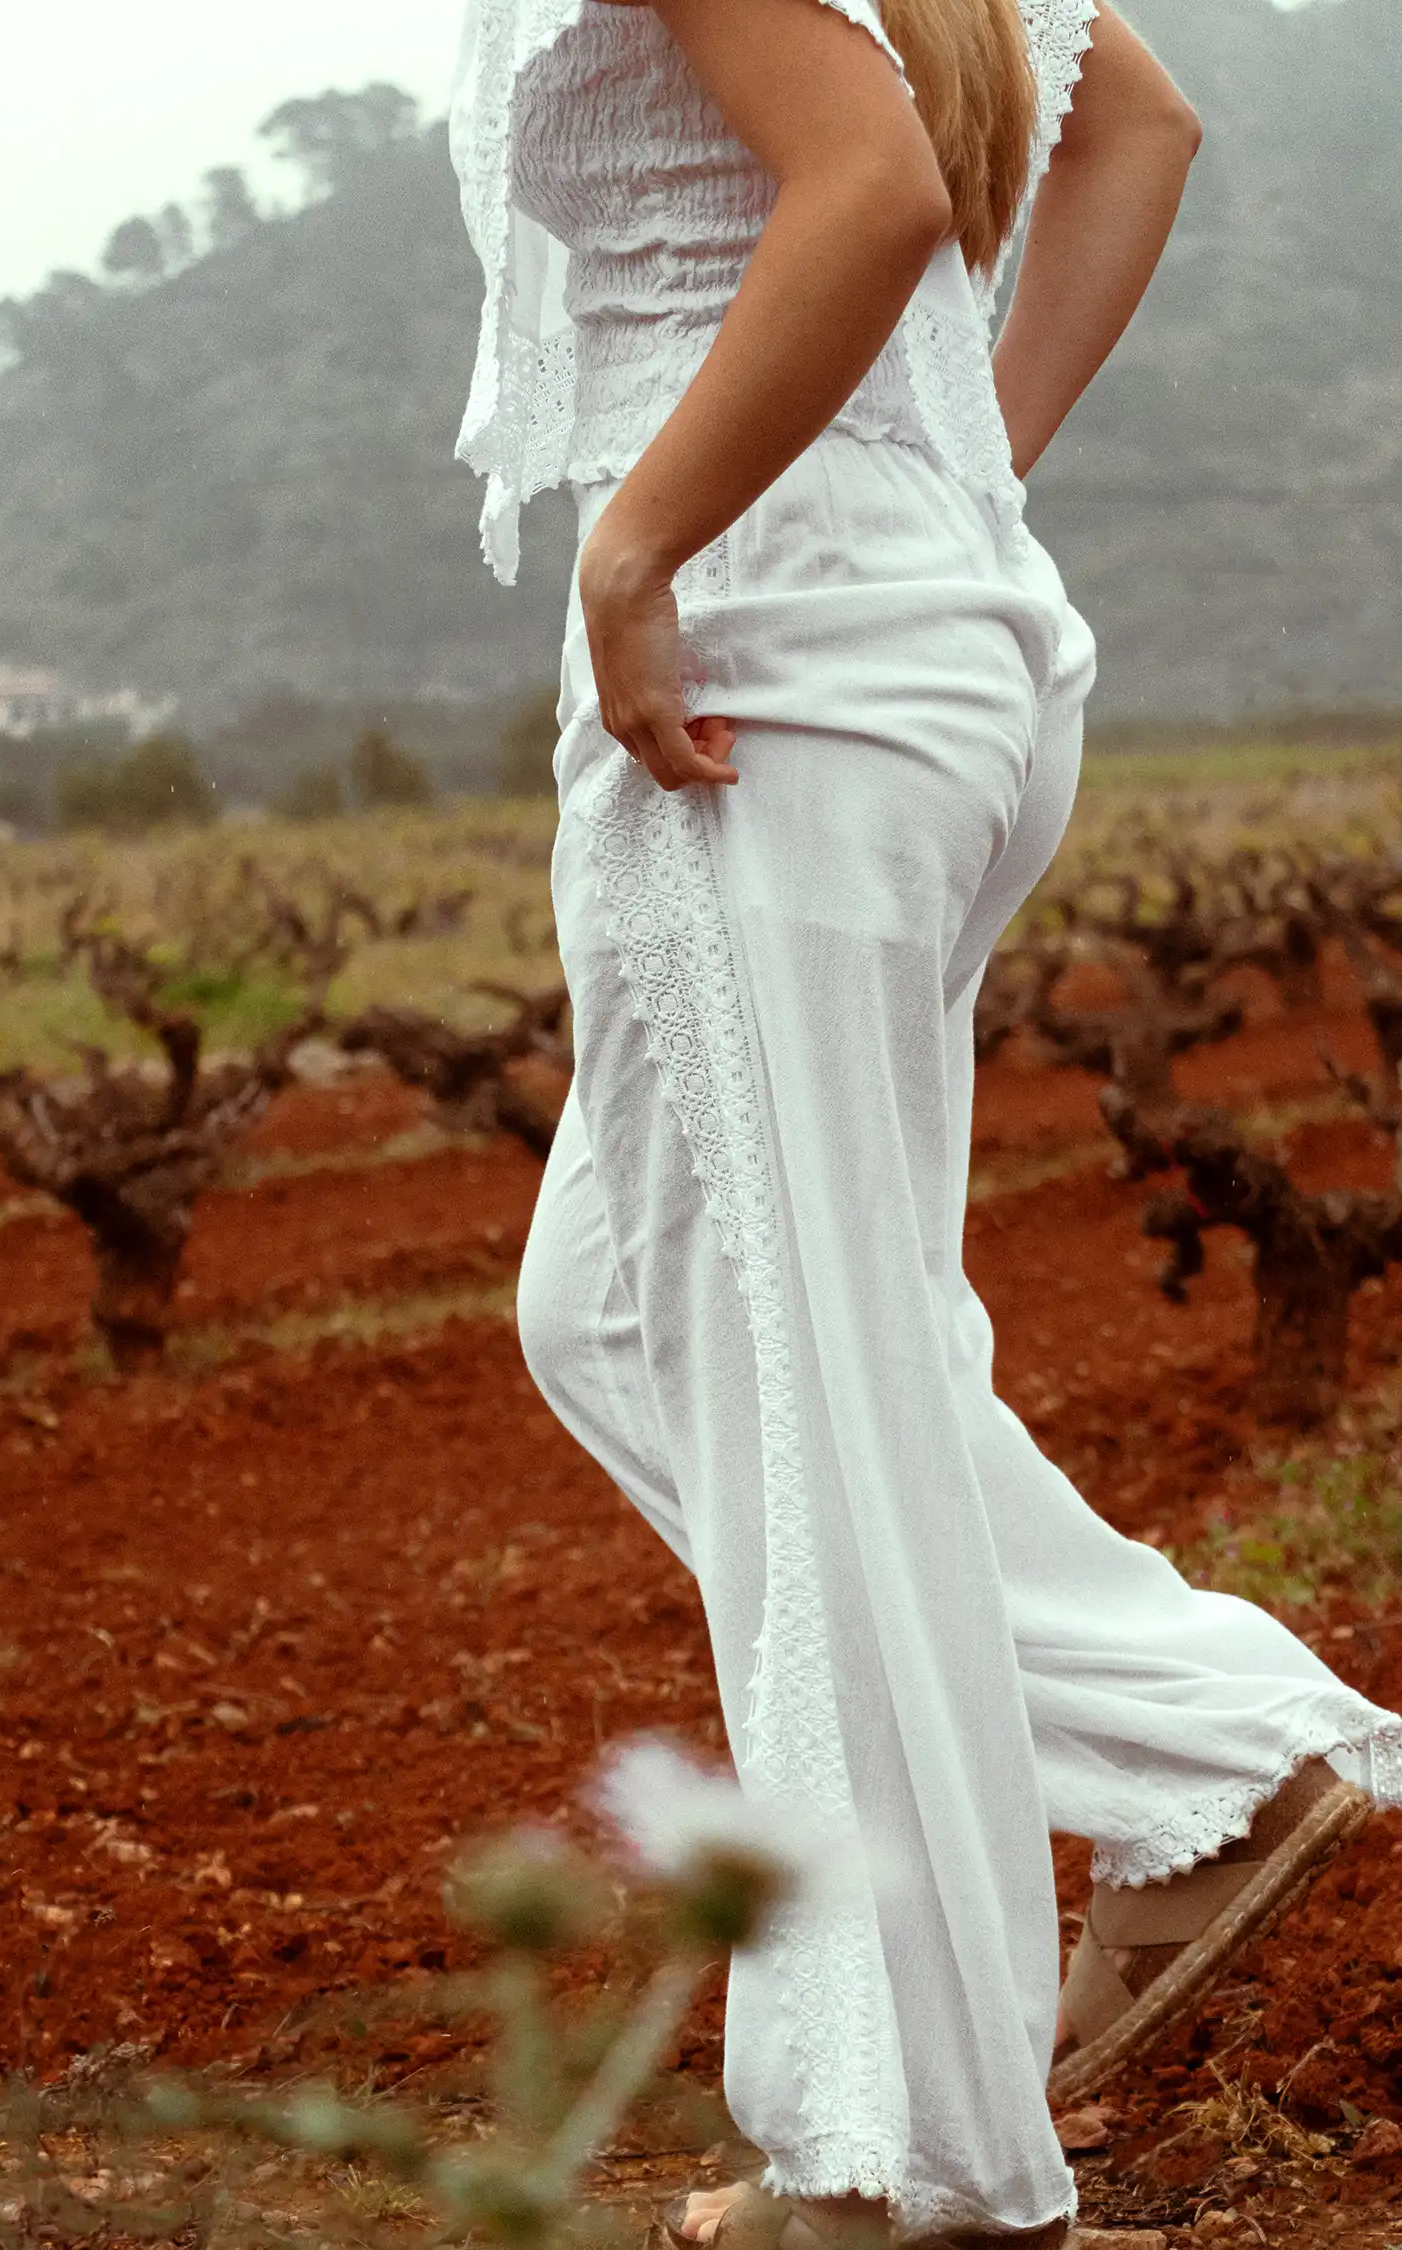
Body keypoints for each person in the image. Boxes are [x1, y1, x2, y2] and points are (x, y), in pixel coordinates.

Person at [449, 0, 1402, 2241]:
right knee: (615, 1314)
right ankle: (1204, 1742)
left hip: (778, 664)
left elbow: (870, 187)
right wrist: (955, 467)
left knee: (802, 1396)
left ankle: (900, 2154)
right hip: (922, 637)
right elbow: (1137, 123)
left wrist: (632, 551)